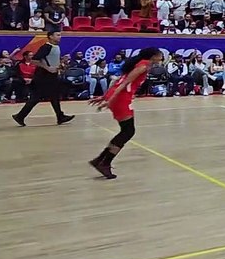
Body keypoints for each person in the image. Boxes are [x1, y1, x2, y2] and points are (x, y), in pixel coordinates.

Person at [88, 48, 164, 179]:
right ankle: (104, 162)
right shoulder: (143, 66)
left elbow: (117, 81)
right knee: (128, 131)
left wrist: (105, 96)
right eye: (160, 55)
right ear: (154, 56)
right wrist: (109, 99)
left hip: (118, 96)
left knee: (126, 131)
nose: (162, 57)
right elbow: (124, 83)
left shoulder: (141, 64)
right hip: (121, 98)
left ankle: (100, 160)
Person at [12, 31, 74, 126]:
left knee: (54, 96)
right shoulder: (46, 47)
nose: (60, 37)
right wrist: (48, 68)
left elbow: (51, 60)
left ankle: (60, 116)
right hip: (43, 76)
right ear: (50, 36)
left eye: (60, 35)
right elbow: (34, 60)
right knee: (37, 97)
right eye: (57, 35)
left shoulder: (55, 47)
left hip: (51, 76)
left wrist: (60, 65)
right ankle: (20, 116)